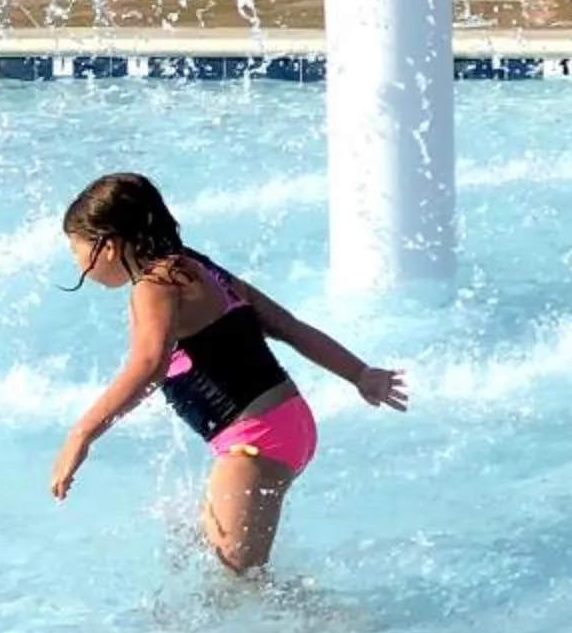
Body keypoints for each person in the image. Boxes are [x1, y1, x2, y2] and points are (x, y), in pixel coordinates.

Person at [52, 171, 406, 573]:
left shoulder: (154, 287)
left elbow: (149, 365)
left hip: (253, 442)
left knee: (240, 585)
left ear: (108, 246)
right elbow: (286, 325)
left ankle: (328, 630)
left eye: (75, 249)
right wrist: (359, 374)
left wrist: (81, 435)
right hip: (287, 425)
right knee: (204, 552)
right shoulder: (198, 267)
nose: (77, 261)